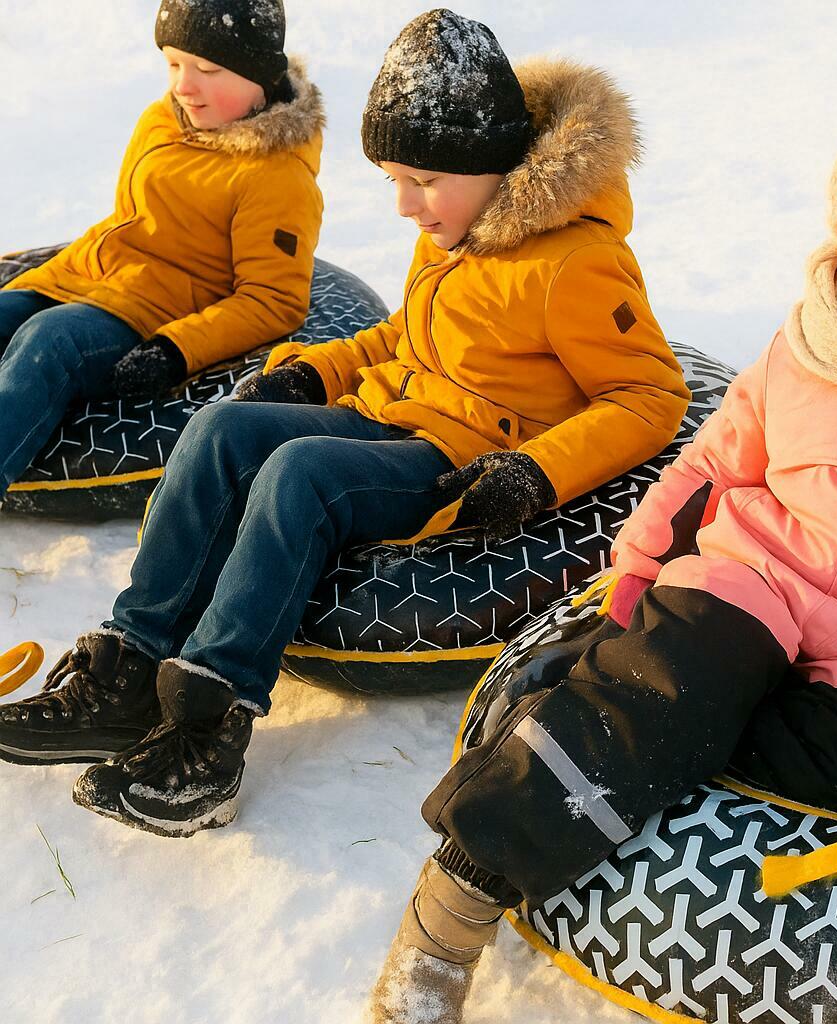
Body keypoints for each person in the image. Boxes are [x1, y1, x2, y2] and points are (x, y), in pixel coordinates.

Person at [367, 69, 837, 1023]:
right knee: (682, 679)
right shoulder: (808, 342)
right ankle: (457, 902)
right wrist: (641, 564)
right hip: (748, 582)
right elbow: (713, 464)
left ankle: (613, 710)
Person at [0, 9, 690, 844]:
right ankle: (126, 668)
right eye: (394, 180)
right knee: (220, 432)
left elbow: (650, 395)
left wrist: (536, 472)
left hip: (458, 458)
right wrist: (314, 371)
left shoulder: (577, 264)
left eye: (422, 180)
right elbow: (406, 334)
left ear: (492, 165)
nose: (403, 205)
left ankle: (207, 733)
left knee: (301, 475)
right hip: (390, 412)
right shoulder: (458, 227)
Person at [0, 0, 324, 492]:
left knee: (47, 342)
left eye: (207, 69)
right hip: (84, 275)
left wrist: (176, 350)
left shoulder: (278, 176)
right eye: (174, 64)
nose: (183, 86)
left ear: (258, 75)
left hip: (155, 308)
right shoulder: (162, 119)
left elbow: (274, 300)